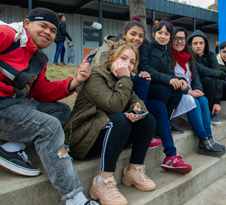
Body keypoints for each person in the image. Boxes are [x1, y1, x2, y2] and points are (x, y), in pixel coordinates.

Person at [0, 7, 97, 205]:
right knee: (49, 126)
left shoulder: (37, 57)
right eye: (43, 26)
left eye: (53, 30)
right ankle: (75, 198)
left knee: (61, 111)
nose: (48, 33)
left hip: (11, 105)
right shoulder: (6, 34)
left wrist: (74, 82)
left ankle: (11, 148)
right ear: (27, 24)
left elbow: (39, 91)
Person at [88, 17, 191, 174]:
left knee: (160, 104)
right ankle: (140, 126)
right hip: (115, 99)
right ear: (124, 34)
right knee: (146, 82)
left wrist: (179, 81)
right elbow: (105, 74)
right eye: (133, 34)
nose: (137, 38)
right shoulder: (116, 49)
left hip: (134, 98)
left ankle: (171, 155)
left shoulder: (151, 51)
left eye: (140, 36)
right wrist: (136, 75)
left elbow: (149, 71)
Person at [64, 41, 156, 205]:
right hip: (81, 139)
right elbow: (114, 106)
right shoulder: (96, 76)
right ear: (112, 57)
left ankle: (133, 171)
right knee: (120, 120)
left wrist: (137, 112)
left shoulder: (122, 79)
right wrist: (126, 78)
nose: (127, 64)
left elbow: (139, 103)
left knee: (148, 120)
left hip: (103, 135)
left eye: (132, 62)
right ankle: (102, 182)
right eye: (123, 58)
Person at [169, 27, 225, 157]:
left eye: (182, 39)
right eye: (176, 39)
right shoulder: (169, 56)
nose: (179, 42)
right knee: (192, 100)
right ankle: (202, 140)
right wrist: (189, 91)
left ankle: (209, 137)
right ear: (171, 40)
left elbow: (196, 76)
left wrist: (198, 89)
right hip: (177, 94)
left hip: (189, 91)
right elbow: (171, 79)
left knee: (203, 99)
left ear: (185, 41)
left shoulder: (189, 57)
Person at [187, 30, 226, 135]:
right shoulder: (190, 56)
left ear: (205, 44)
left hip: (212, 84)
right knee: (208, 79)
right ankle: (210, 112)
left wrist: (217, 101)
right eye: (195, 43)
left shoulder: (211, 55)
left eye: (201, 43)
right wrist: (225, 76)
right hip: (198, 84)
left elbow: (216, 75)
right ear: (190, 44)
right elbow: (203, 70)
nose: (198, 46)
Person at [139, 18, 185, 134]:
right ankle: (155, 124)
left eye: (167, 34)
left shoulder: (166, 53)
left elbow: (170, 73)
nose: (163, 36)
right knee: (164, 90)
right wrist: (169, 79)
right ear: (153, 34)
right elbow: (146, 68)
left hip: (159, 84)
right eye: (160, 33)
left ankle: (167, 120)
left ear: (170, 37)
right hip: (147, 85)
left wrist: (180, 80)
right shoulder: (146, 47)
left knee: (177, 90)